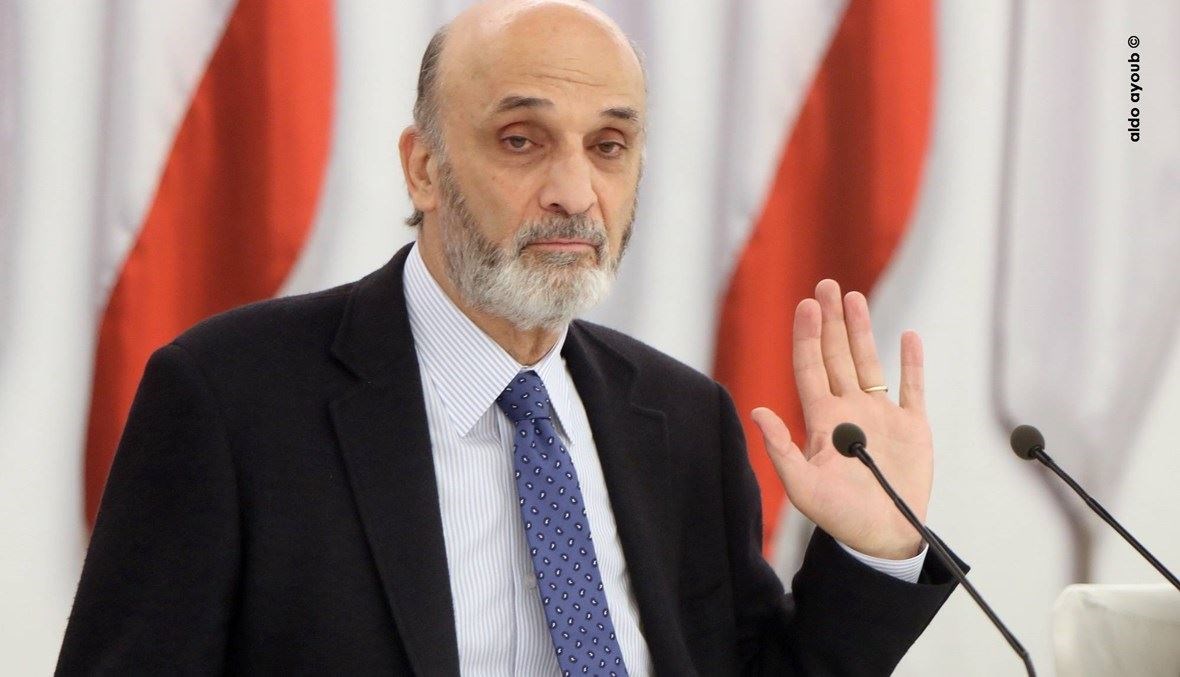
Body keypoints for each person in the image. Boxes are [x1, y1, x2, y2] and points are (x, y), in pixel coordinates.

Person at [57, 1, 959, 674]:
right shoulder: (231, 399)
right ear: (424, 167)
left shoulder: (683, 421)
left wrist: (872, 550)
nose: (574, 192)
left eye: (609, 146)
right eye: (522, 140)